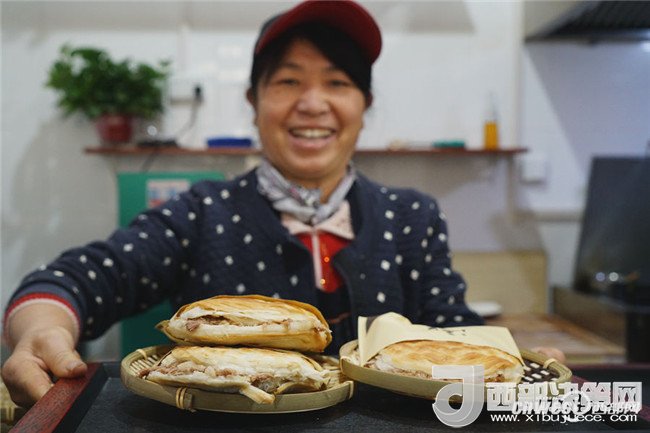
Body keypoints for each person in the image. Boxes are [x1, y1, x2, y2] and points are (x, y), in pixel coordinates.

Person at [2, 0, 563, 407]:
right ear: (255, 101)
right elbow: (81, 278)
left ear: (364, 104)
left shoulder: (411, 217)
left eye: (338, 83)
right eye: (288, 81)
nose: (313, 104)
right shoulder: (201, 213)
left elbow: (453, 335)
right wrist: (39, 330)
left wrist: (513, 365)